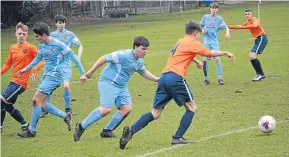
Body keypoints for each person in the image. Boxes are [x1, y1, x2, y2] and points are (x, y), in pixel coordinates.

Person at [119, 21, 235, 149]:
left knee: (156, 113)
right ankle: (178, 137)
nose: (200, 38)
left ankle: (131, 131)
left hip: (164, 77)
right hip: (176, 78)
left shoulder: (180, 41)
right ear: (196, 33)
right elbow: (208, 53)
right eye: (199, 35)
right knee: (191, 108)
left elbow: (179, 54)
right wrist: (225, 52)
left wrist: (195, 60)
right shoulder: (193, 42)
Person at [73, 36, 159, 141]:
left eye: (147, 49)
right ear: (135, 47)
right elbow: (104, 58)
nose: (145, 51)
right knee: (105, 109)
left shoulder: (139, 61)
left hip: (121, 86)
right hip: (108, 82)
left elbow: (143, 72)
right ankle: (81, 127)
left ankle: (107, 131)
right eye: (143, 49)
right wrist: (90, 72)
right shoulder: (124, 55)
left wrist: (157, 79)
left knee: (126, 108)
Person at [17, 22, 87, 138]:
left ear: (44, 35)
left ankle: (32, 130)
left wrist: (83, 73)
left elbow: (74, 57)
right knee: (43, 104)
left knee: (36, 100)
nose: (36, 38)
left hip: (54, 77)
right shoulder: (43, 45)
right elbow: (38, 58)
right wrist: (26, 69)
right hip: (47, 76)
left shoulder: (59, 45)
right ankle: (65, 116)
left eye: (37, 36)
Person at [39, 14, 84, 118]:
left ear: (65, 23)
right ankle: (45, 109)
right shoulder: (51, 35)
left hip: (66, 64)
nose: (61, 24)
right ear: (56, 24)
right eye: (59, 22)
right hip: (54, 65)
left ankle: (68, 109)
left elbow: (80, 45)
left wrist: (79, 57)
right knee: (48, 87)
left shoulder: (70, 34)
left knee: (66, 86)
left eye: (63, 22)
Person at [1, 22, 39, 132]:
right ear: (15, 34)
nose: (21, 36)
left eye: (24, 34)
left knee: (1, 100)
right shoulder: (12, 47)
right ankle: (24, 124)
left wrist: (35, 69)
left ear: (27, 35)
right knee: (7, 106)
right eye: (19, 33)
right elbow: (8, 64)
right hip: (13, 81)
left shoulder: (31, 48)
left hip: (21, 83)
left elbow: (42, 60)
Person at [228, 9, 268, 81]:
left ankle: (260, 74)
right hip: (258, 39)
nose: (247, 15)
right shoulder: (248, 22)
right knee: (250, 56)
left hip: (262, 38)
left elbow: (254, 25)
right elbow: (239, 26)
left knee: (252, 56)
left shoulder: (255, 20)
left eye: (248, 14)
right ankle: (260, 74)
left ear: (252, 14)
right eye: (246, 14)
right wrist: (227, 26)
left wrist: (244, 26)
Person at [200, 2, 230, 85]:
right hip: (206, 42)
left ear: (217, 9)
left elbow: (226, 27)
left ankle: (220, 78)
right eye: (212, 8)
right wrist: (202, 31)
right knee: (204, 60)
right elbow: (200, 26)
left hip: (214, 42)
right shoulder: (205, 17)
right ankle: (206, 79)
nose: (214, 9)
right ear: (210, 9)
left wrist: (227, 33)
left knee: (217, 59)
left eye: (215, 8)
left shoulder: (219, 19)